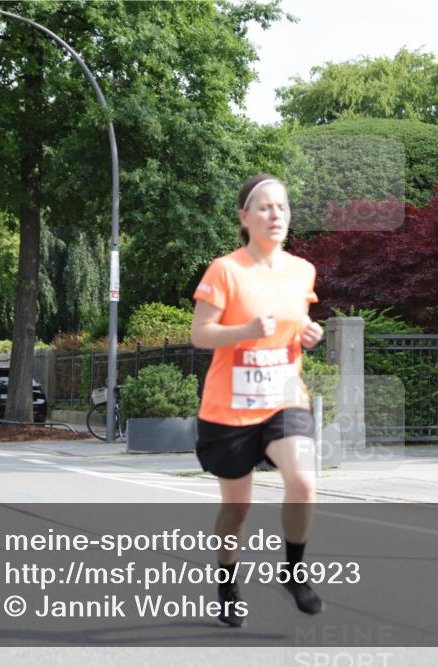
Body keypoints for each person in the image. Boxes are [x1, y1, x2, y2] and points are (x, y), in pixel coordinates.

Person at [191, 174, 325, 628]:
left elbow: (296, 325)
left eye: (282, 207)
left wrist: (310, 335)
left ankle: (293, 570)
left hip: (284, 399)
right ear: (244, 217)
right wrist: (244, 332)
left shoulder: (302, 270)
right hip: (230, 408)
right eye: (265, 208)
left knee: (303, 482)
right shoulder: (225, 270)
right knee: (237, 508)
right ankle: (227, 581)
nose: (276, 216)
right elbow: (200, 334)